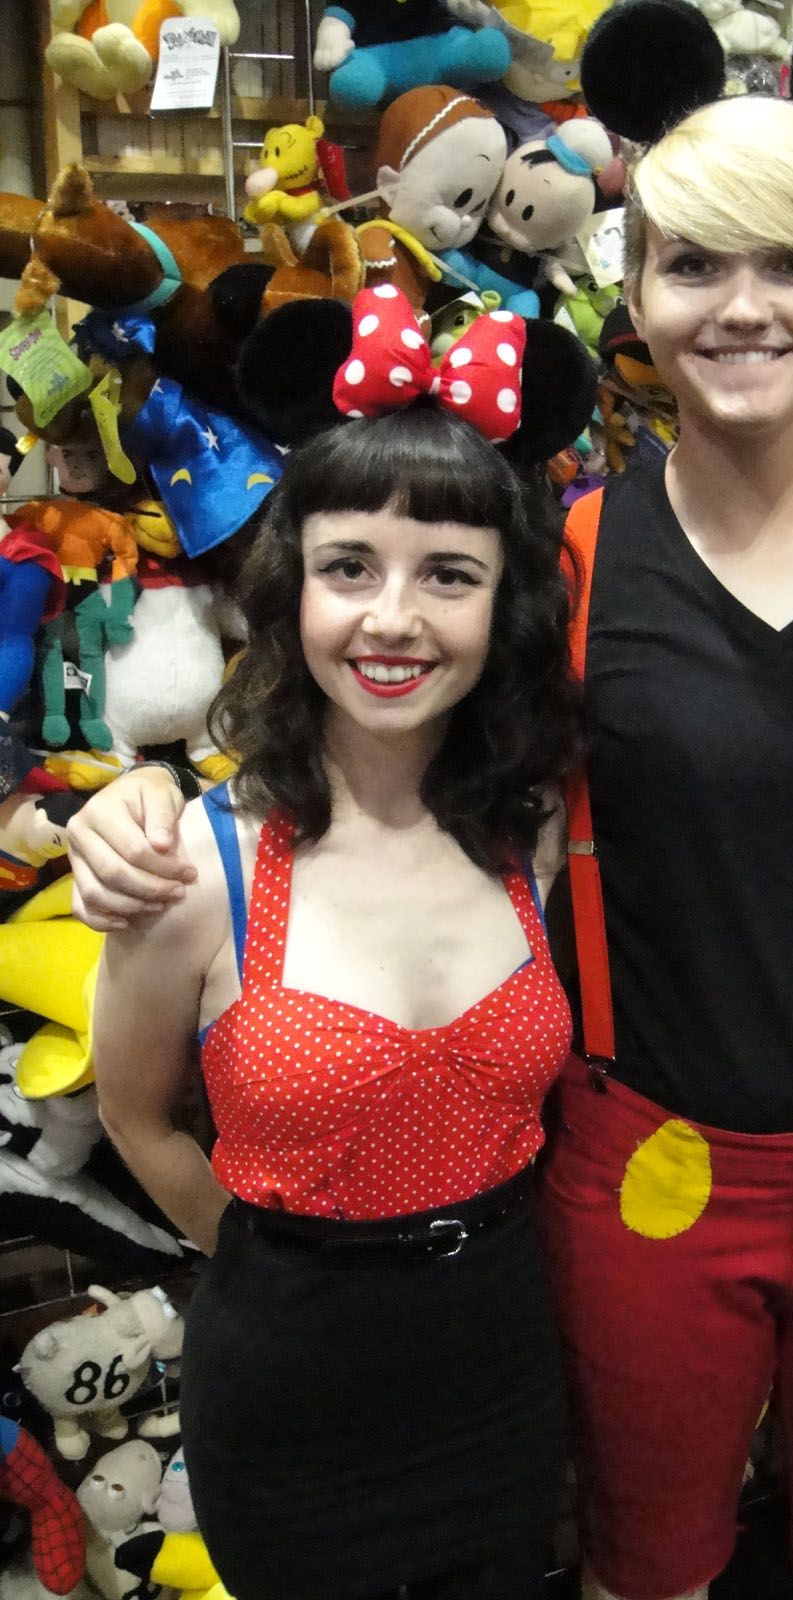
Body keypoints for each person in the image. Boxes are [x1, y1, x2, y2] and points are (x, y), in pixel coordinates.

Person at [71, 96, 793, 1600]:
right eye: (695, 263)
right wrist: (135, 807)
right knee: (641, 1563)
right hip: (641, 1161)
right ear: (639, 292)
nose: (741, 307)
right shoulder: (567, 554)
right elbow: (374, 743)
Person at [87, 377, 582, 1600]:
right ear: (291, 588)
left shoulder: (533, 829)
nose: (394, 619)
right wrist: (275, 1262)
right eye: (350, 566)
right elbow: (134, 1117)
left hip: (503, 1369)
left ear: (501, 604)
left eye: (448, 576)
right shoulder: (199, 863)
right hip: (290, 1403)